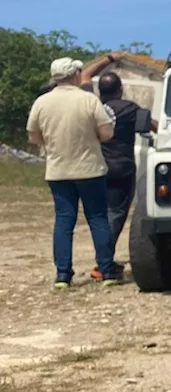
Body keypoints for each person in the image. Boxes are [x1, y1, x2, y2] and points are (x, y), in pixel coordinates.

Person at [26, 58, 124, 288]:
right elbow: (107, 132)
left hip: (58, 169)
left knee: (63, 220)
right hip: (89, 167)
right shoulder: (88, 100)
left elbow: (33, 135)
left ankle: (63, 274)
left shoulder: (42, 102)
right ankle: (107, 270)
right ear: (75, 75)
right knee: (97, 218)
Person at [90, 71, 159, 279]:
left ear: (100, 91)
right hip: (121, 168)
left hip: (95, 168)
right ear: (120, 89)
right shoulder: (129, 108)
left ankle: (104, 261)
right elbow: (152, 125)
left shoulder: (93, 107)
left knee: (100, 215)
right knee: (116, 214)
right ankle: (103, 265)